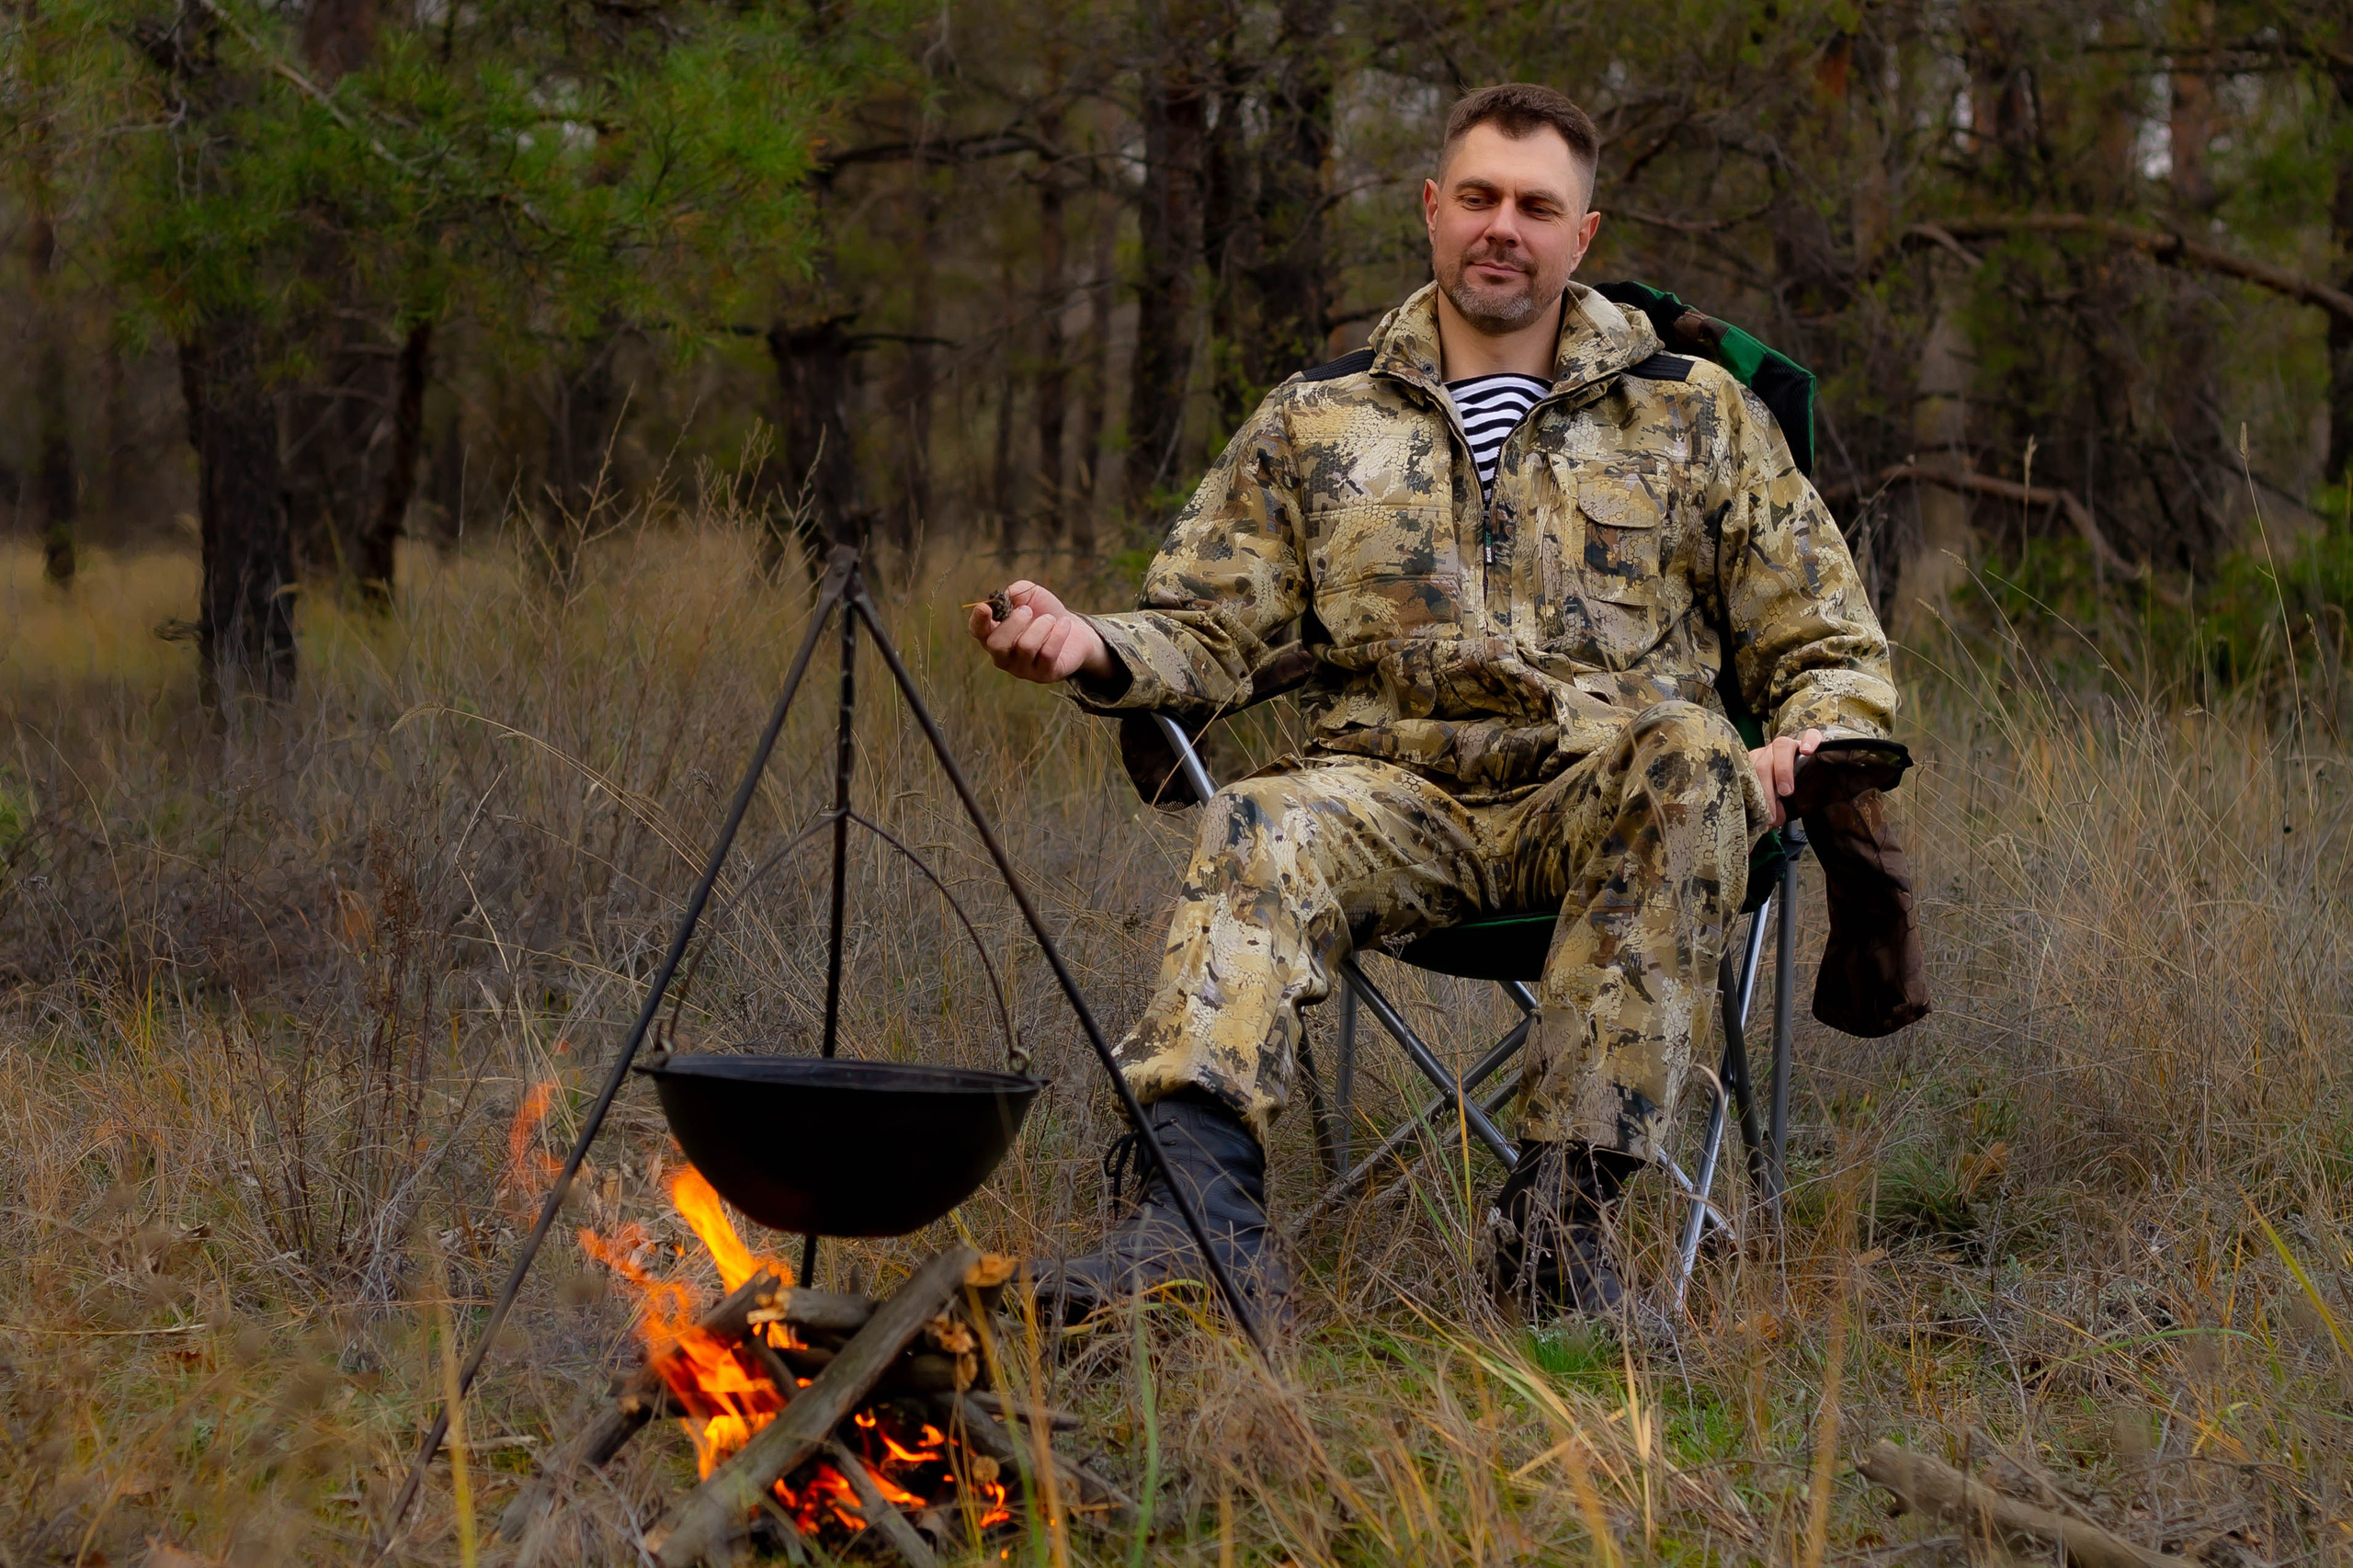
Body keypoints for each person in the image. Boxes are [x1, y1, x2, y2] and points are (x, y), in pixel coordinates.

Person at [968, 83, 1894, 1321]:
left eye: (1534, 205)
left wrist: (1808, 742)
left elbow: (1827, 633)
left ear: (1584, 235)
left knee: (1695, 750)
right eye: (1478, 197)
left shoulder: (1694, 410)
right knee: (1260, 816)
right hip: (1388, 795)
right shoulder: (1317, 416)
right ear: (1431, 211)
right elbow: (1204, 624)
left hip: (1615, 800)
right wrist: (1089, 645)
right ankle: (1193, 1226)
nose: (1501, 226)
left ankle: (1554, 1229)